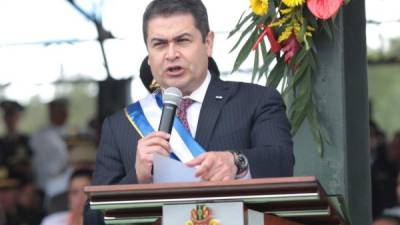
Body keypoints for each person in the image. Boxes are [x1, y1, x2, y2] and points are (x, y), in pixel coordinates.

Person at [85, 0, 293, 223]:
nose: (171, 54)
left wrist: (237, 162)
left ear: (208, 42)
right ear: (148, 52)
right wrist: (138, 178)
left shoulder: (256, 101)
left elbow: (281, 163)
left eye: (182, 40)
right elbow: (93, 218)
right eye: (159, 44)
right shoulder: (120, 126)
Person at [29, 98, 73, 208]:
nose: (61, 114)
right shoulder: (40, 135)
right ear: (51, 112)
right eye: (57, 111)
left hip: (69, 183)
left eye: (63, 111)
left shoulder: (75, 132)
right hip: (45, 184)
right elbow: (37, 161)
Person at [0, 100, 33, 178]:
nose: (10, 120)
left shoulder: (27, 140)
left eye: (12, 116)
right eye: (7, 116)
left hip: (23, 186)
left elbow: (34, 165)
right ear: (4, 119)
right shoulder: (1, 142)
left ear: (18, 117)